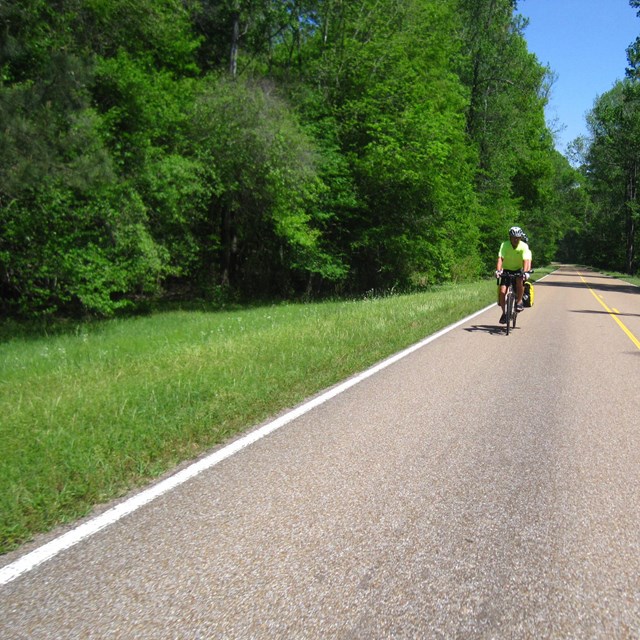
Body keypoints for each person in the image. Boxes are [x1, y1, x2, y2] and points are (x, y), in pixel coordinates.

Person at [495, 226, 532, 324]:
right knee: (502, 291)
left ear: (520, 238)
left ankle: (519, 301)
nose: (516, 239)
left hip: (518, 269)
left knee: (520, 281)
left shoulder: (524, 246)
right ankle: (504, 313)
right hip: (506, 269)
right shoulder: (504, 245)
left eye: (518, 237)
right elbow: (500, 259)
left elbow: (526, 260)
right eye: (513, 237)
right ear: (510, 237)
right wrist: (498, 271)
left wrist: (526, 272)